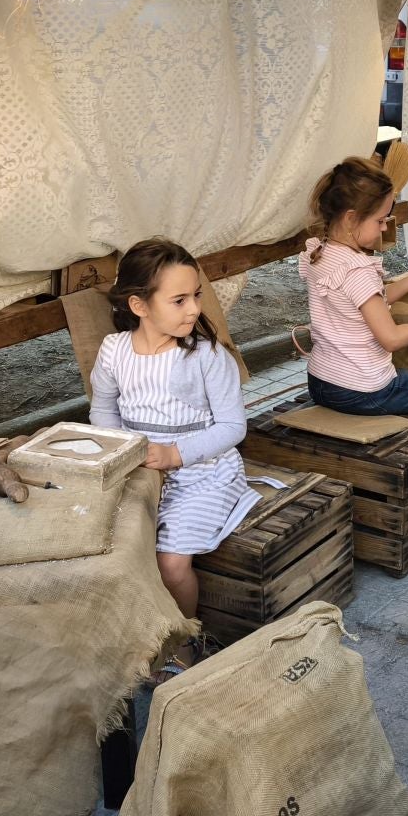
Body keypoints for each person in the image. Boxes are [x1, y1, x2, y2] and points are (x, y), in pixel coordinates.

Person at [90, 238, 256, 639]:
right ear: (139, 305)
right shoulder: (114, 351)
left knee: (170, 562)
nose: (196, 308)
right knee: (113, 549)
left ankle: (182, 640)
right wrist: (120, 450)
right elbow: (103, 410)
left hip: (203, 473)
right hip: (140, 471)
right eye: (179, 300)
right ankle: (133, 634)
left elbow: (233, 427)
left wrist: (174, 455)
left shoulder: (204, 356)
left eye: (196, 295)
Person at [299, 157, 408, 426]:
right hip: (361, 391)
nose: (384, 227)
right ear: (351, 218)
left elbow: (368, 303)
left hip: (321, 382)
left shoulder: (321, 253)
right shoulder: (357, 270)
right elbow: (390, 339)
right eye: (380, 220)